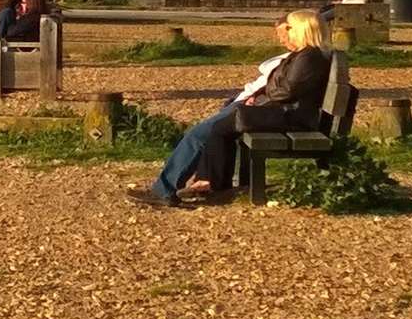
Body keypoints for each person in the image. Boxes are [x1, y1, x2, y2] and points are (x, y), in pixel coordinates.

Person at [128, 10, 331, 207]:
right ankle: (214, 186)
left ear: (301, 29)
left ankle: (164, 191)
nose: (284, 35)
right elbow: (285, 89)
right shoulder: (306, 55)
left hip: (287, 116)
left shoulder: (309, 57)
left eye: (289, 29)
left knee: (199, 134)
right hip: (285, 113)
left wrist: (259, 100)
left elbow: (287, 91)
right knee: (217, 130)